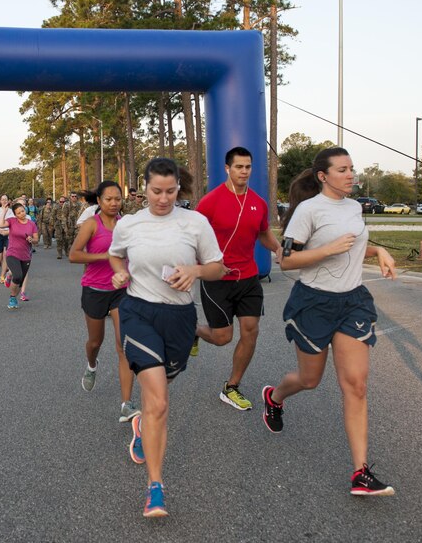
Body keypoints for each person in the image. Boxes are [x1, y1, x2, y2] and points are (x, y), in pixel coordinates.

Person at [262, 146, 398, 496]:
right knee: (310, 379)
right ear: (324, 176)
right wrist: (326, 251)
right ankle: (275, 398)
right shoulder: (308, 211)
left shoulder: (354, 207)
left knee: (356, 385)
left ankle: (360, 473)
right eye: (342, 169)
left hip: (352, 301)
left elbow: (351, 245)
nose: (351, 174)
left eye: (352, 167)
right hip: (314, 303)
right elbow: (287, 261)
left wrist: (379, 250)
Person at [109, 157, 225, 517]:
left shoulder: (195, 223)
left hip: (179, 317)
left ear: (179, 188)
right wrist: (119, 276)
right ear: (143, 188)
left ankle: (143, 423)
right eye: (156, 191)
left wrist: (195, 270)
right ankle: (155, 487)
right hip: (138, 312)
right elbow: (116, 257)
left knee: (161, 390)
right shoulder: (129, 224)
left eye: (171, 191)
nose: (163, 199)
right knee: (159, 401)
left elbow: (218, 268)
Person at [192, 146, 281, 410]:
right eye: (239, 167)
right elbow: (193, 237)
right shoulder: (210, 202)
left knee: (251, 331)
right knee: (222, 338)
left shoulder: (258, 203)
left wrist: (277, 249)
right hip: (218, 280)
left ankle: (231, 386)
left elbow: (263, 233)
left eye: (248, 166)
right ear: (227, 169)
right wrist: (202, 266)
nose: (244, 171)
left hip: (249, 278)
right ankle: (193, 329)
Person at [69, 181, 139, 423]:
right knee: (95, 341)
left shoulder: (125, 224)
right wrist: (105, 256)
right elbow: (74, 255)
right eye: (108, 199)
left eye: (117, 199)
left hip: (121, 289)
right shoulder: (91, 224)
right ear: (98, 201)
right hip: (94, 290)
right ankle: (91, 365)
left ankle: (127, 404)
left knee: (124, 346)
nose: (113, 203)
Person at [0, 202, 38, 309]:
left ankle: (9, 274)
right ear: (15, 215)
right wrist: (3, 211)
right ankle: (12, 298)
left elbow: (36, 239)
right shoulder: (12, 221)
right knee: (17, 276)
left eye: (22, 211)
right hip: (12, 253)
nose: (22, 214)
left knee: (20, 282)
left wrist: (32, 240)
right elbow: (0, 224)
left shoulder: (31, 224)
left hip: (26, 255)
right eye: (19, 213)